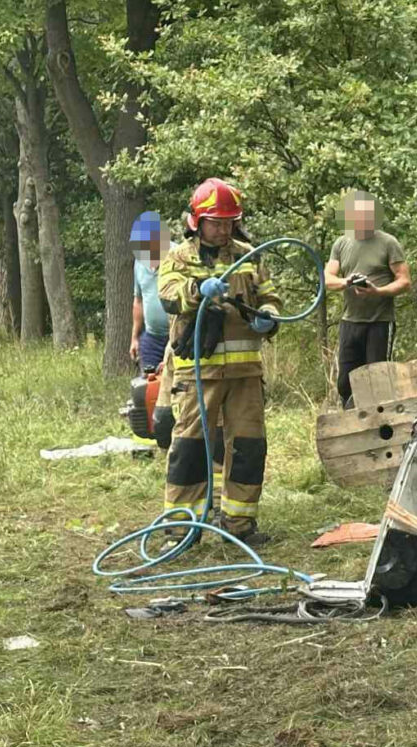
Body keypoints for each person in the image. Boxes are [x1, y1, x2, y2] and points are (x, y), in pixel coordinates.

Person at [158, 178, 281, 545]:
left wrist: (270, 315)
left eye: (229, 222)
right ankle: (181, 529)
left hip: (245, 372)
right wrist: (198, 290)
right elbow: (168, 296)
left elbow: (270, 296)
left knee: (248, 447)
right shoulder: (179, 257)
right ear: (197, 222)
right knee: (190, 448)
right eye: (216, 222)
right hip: (199, 371)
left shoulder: (249, 255)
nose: (224, 229)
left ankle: (239, 525)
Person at [324, 190, 411, 408]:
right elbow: (328, 279)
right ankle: (350, 419)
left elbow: (404, 281)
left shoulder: (388, 243)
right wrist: (347, 282)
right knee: (345, 383)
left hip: (379, 322)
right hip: (350, 321)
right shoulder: (341, 243)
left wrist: (377, 291)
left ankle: (380, 423)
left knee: (378, 381)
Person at [130, 212, 171, 374]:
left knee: (177, 384)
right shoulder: (139, 262)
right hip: (152, 337)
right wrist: (134, 338)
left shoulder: (178, 256)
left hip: (179, 336)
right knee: (148, 383)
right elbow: (138, 301)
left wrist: (171, 351)